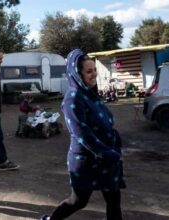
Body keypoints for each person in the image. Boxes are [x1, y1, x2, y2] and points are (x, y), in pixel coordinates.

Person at [41, 49, 126, 220]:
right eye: (89, 71)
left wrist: (113, 140)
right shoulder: (73, 98)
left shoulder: (91, 94)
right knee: (78, 201)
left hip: (106, 158)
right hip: (87, 160)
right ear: (77, 73)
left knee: (113, 199)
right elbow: (81, 133)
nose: (94, 74)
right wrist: (107, 152)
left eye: (94, 70)